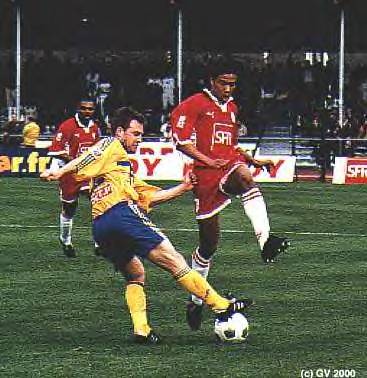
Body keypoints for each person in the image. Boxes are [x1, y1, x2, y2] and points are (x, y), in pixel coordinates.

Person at [41, 106, 253, 344]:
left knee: (135, 274)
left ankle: (141, 330)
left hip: (100, 227)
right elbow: (89, 155)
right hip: (121, 215)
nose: (139, 139)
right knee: (175, 261)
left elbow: (150, 198)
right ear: (120, 132)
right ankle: (222, 306)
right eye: (136, 133)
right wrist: (60, 172)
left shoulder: (119, 169)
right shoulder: (111, 144)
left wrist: (182, 188)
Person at [170, 58, 289, 331]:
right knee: (208, 245)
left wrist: (253, 161)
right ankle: (196, 300)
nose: (228, 88)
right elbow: (181, 140)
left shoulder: (232, 108)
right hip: (204, 178)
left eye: (233, 84)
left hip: (228, 169)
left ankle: (265, 240)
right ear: (211, 80)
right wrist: (206, 161)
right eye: (224, 83)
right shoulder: (194, 104)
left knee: (246, 178)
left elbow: (232, 146)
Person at [48, 98, 101, 257]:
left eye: (90, 109)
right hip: (69, 175)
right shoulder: (67, 126)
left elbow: (98, 150)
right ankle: (66, 240)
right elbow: (57, 150)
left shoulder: (95, 128)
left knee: (99, 203)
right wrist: (63, 166)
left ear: (94, 110)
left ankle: (99, 243)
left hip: (87, 174)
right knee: (69, 209)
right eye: (83, 108)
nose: (87, 112)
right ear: (78, 109)